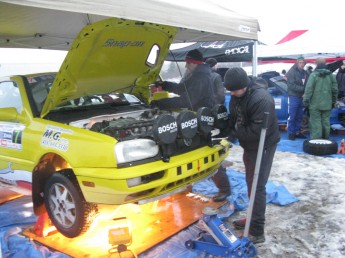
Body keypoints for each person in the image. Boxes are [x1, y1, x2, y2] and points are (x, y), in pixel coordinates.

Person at [153, 49, 231, 202]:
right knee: (188, 154)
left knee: (207, 154)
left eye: (187, 63)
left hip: (202, 121)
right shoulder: (197, 74)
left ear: (193, 63)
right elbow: (183, 89)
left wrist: (159, 103)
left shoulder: (201, 77)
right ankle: (185, 186)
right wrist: (165, 85)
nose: (186, 66)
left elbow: (186, 101)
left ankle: (224, 189)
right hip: (196, 118)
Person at [221, 67, 280, 244]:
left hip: (264, 145)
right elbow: (235, 118)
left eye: (234, 90)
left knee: (257, 185)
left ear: (245, 86)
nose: (232, 93)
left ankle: (257, 230)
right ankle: (252, 217)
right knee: (250, 182)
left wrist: (237, 131)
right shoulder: (237, 95)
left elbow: (256, 132)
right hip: (250, 144)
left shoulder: (261, 100)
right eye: (230, 90)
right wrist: (228, 133)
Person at [303, 58, 338, 140]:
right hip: (327, 104)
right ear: (325, 64)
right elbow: (335, 90)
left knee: (316, 122)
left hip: (315, 104)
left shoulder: (313, 75)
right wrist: (333, 101)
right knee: (326, 122)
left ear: (316, 64)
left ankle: (316, 142)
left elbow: (308, 90)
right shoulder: (331, 75)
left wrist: (306, 101)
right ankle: (325, 140)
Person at [286, 57, 308, 140]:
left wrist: (306, 92)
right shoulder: (292, 72)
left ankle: (297, 132)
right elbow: (291, 85)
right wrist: (304, 90)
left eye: (303, 63)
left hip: (301, 97)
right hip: (294, 96)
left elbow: (307, 84)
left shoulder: (305, 73)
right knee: (292, 115)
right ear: (297, 63)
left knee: (299, 116)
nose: (302, 64)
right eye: (300, 62)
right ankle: (291, 133)